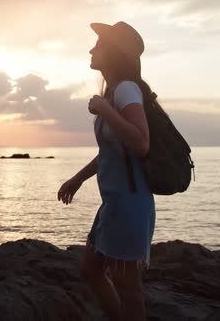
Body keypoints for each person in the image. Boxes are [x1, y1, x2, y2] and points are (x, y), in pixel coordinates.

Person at [57, 21, 156, 321]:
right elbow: (110, 153)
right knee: (91, 271)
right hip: (112, 205)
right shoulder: (114, 92)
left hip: (130, 206)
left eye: (98, 45)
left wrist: (105, 110)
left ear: (113, 52)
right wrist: (78, 178)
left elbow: (141, 142)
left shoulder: (126, 91)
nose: (91, 49)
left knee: (129, 287)